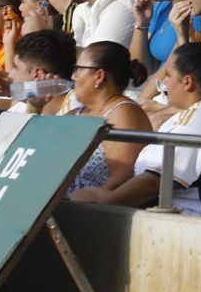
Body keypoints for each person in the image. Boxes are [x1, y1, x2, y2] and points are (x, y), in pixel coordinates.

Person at [77, 42, 201, 219]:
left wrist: (101, 204)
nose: (164, 83)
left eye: (167, 75)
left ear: (188, 82)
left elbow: (154, 182)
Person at [63, 42, 154, 196]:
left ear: (99, 76)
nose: (73, 76)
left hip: (91, 211)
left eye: (78, 69)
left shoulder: (123, 114)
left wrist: (86, 199)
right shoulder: (76, 113)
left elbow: (122, 177)